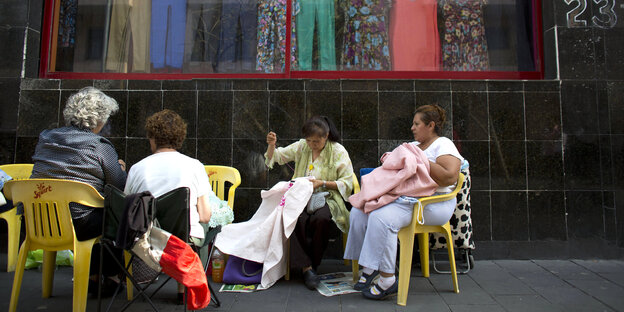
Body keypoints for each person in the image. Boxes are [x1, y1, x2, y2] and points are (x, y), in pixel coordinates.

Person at [344, 104, 463, 300]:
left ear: (431, 125)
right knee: (359, 212)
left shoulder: (443, 144)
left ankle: (387, 279)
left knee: (382, 218)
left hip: (433, 204)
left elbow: (450, 177)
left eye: (417, 124)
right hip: (405, 199)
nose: (412, 128)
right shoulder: (412, 146)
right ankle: (370, 266)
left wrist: (419, 160)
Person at [30, 86, 127, 295]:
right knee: (117, 214)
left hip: (39, 221)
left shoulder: (45, 138)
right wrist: (120, 168)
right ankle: (111, 277)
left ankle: (92, 277)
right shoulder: (100, 145)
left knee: (95, 213)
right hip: (79, 224)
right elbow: (118, 186)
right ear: (99, 119)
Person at [124, 109, 215, 303]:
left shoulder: (137, 168)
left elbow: (128, 210)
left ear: (152, 138)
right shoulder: (195, 166)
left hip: (145, 239)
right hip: (183, 239)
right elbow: (205, 216)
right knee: (207, 226)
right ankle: (189, 287)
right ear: (179, 138)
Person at [265, 116, 354, 290]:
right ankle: (307, 268)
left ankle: (311, 264)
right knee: (294, 217)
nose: (312, 144)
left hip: (328, 197)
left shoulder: (338, 151)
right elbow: (277, 157)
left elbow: (347, 182)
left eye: (317, 141)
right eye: (309, 140)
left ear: (326, 135)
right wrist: (271, 145)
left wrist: (323, 183)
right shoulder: (301, 146)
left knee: (320, 219)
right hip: (301, 197)